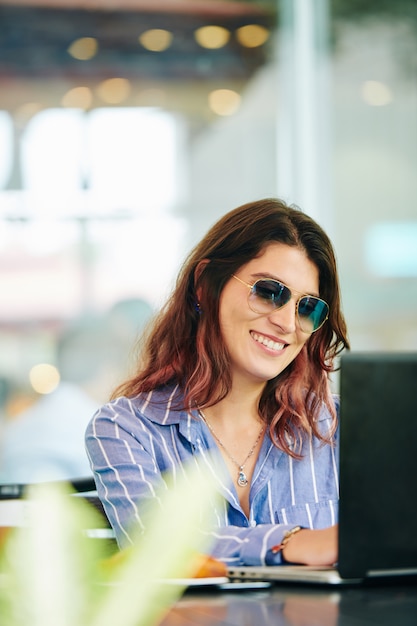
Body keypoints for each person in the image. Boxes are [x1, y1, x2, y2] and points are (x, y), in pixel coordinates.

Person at [85, 198, 349, 567]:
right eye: (270, 291)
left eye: (308, 308)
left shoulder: (340, 430)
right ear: (206, 285)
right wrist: (289, 543)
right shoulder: (125, 430)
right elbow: (155, 550)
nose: (287, 324)